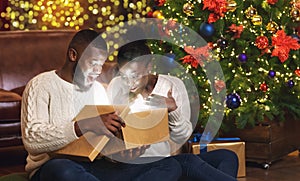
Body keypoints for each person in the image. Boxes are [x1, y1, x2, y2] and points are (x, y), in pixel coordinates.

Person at [21, 29, 182, 181]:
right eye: (93, 63)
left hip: (95, 167)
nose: (98, 71)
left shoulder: (98, 89)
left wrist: (122, 154)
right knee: (64, 170)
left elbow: (103, 143)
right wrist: (83, 125)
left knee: (168, 165)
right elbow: (32, 140)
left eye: (101, 64)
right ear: (73, 55)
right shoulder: (41, 85)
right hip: (54, 167)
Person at [107, 40, 239, 181]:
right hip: (133, 164)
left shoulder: (172, 85)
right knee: (188, 163)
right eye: (124, 76)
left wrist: (173, 110)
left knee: (227, 156)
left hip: (167, 161)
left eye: (134, 76)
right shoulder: (116, 86)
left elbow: (182, 137)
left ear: (149, 67)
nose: (129, 83)